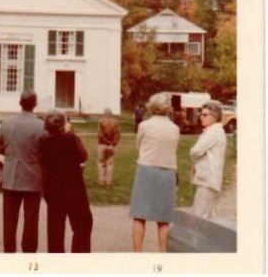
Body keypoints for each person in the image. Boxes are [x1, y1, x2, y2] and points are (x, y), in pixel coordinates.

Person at [0, 89, 45, 252]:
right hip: (33, 178)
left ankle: (9, 251)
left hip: (10, 177)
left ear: (20, 103)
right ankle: (29, 252)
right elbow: (44, 151)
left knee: (9, 220)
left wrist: (12, 155)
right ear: (35, 104)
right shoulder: (41, 125)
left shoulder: (7, 122)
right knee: (31, 220)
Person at [129, 92, 180, 252]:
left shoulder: (145, 126)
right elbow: (174, 148)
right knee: (163, 219)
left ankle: (138, 253)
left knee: (139, 215)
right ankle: (163, 253)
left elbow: (139, 145)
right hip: (167, 172)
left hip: (146, 170)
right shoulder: (174, 129)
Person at [39, 110, 93, 253]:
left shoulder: (43, 142)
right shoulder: (71, 139)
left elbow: (42, 162)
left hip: (53, 188)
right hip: (73, 188)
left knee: (55, 229)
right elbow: (83, 156)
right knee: (83, 225)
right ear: (63, 124)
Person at [190, 100, 227, 219]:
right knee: (209, 218)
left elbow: (195, 151)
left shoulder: (213, 133)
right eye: (201, 114)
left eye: (205, 115)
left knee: (199, 216)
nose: (201, 117)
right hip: (209, 179)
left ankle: (196, 238)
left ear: (215, 117)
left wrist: (196, 158)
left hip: (207, 180)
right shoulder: (213, 132)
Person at [97, 108, 121, 186]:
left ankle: (101, 180)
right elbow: (117, 134)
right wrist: (112, 144)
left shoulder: (101, 121)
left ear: (104, 113)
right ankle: (108, 181)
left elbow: (100, 135)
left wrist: (107, 143)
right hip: (112, 145)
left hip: (102, 144)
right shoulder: (116, 122)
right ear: (111, 113)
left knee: (101, 162)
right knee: (110, 163)